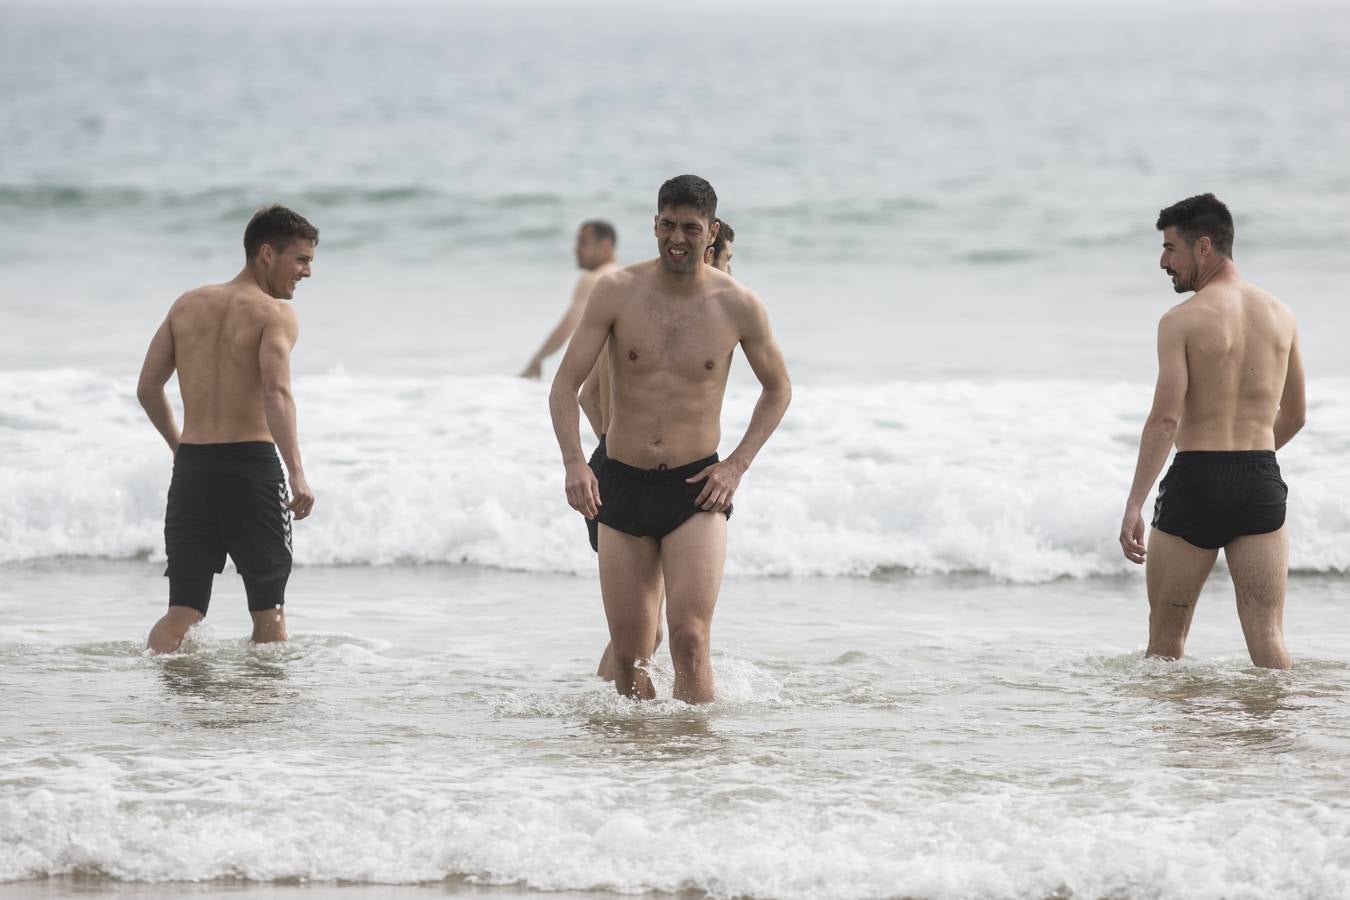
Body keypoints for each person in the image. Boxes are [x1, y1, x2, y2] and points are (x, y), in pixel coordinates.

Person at [550, 175, 791, 702]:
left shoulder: (738, 304)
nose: (677, 238)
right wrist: (575, 463)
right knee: (632, 652)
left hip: (696, 489)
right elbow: (565, 387)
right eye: (667, 225)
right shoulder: (616, 292)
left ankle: (697, 764)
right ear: (654, 224)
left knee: (689, 640)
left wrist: (735, 466)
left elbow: (778, 390)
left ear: (712, 233)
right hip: (622, 485)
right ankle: (642, 772)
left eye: (690, 228)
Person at [1119, 193, 1305, 669]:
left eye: (1170, 248)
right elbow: (1295, 415)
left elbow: (1164, 420)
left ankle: (1174, 744)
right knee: (1268, 640)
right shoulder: (1282, 315)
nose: (1163, 261)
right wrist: (1250, 456)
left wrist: (1135, 502)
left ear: (1203, 247)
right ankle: (1278, 739)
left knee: (1165, 644)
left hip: (1196, 481)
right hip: (1260, 479)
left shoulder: (1181, 321)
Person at [137, 205, 319, 653]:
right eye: (300, 259)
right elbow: (276, 393)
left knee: (182, 611)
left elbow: (147, 388)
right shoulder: (274, 314)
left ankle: (162, 709)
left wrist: (181, 449)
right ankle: (266, 719)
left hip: (194, 470)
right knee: (268, 609)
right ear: (266, 254)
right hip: (251, 471)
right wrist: (296, 472)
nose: (307, 272)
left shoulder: (187, 304)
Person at [592, 215, 740, 680]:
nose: (732, 271)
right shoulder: (629, 301)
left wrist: (733, 464)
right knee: (639, 635)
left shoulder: (728, 309)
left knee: (677, 633)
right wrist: (618, 449)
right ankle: (616, 713)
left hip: (688, 478)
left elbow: (779, 388)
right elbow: (584, 392)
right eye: (730, 261)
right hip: (619, 473)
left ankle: (685, 740)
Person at [520, 220, 620, 379]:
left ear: (606, 246)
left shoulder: (594, 278)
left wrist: (538, 359)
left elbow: (568, 326)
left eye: (583, 243)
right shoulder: (625, 276)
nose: (576, 249)